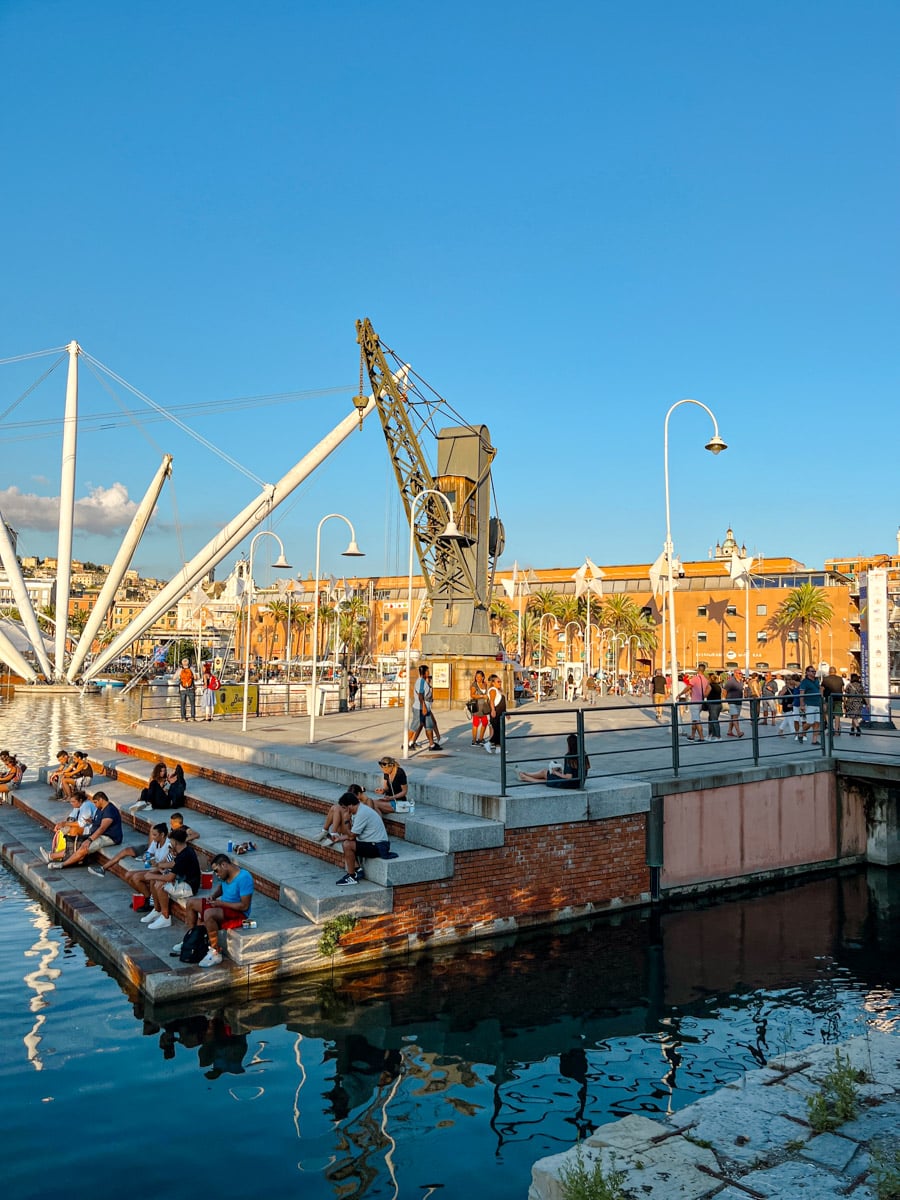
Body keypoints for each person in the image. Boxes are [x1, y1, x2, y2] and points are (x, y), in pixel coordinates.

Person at [180, 853, 254, 967]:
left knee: (209, 914)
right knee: (191, 903)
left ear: (224, 865)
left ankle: (215, 952)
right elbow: (221, 887)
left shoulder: (244, 878)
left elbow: (244, 906)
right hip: (223, 907)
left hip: (239, 913)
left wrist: (220, 903)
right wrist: (214, 896)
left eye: (216, 871)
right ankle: (192, 939)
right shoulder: (225, 875)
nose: (216, 875)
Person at [43, 791, 123, 869]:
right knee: (77, 844)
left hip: (109, 837)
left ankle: (63, 864)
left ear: (101, 800)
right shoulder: (100, 808)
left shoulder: (110, 811)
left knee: (84, 847)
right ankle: (51, 856)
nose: (94, 805)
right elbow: (98, 822)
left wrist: (89, 840)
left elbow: (102, 828)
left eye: (95, 802)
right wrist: (91, 821)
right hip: (97, 833)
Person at [143, 827, 203, 930]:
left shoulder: (184, 855)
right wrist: (159, 865)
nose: (170, 843)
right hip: (183, 882)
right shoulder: (186, 850)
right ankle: (157, 910)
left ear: (175, 842)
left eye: (171, 841)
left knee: (160, 885)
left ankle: (165, 917)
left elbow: (169, 877)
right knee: (155, 881)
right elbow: (173, 863)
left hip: (189, 887)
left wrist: (150, 875)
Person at [333, 791, 391, 886]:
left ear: (350, 805)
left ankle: (352, 876)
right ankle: (357, 870)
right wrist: (339, 838)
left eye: (344, 808)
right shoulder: (359, 811)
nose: (343, 811)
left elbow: (351, 836)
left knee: (347, 844)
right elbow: (354, 834)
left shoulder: (362, 813)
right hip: (372, 842)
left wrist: (346, 820)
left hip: (379, 846)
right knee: (346, 842)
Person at [88, 821, 172, 882]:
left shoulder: (169, 846)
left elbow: (164, 866)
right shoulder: (155, 842)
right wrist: (146, 858)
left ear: (162, 835)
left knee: (137, 877)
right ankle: (146, 898)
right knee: (128, 875)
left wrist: (152, 865)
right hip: (155, 868)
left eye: (154, 835)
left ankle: (149, 901)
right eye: (152, 835)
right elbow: (149, 855)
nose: (153, 837)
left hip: (162, 871)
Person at [517, 733, 590, 788]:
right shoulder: (584, 754)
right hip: (579, 783)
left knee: (545, 772)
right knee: (547, 775)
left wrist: (556, 773)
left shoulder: (569, 756)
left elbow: (569, 777)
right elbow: (575, 772)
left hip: (569, 783)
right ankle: (526, 775)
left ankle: (526, 776)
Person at [46, 789, 96, 860]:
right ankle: (56, 852)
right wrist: (61, 825)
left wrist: (65, 824)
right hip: (84, 828)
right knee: (63, 830)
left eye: (73, 802)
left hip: (91, 829)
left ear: (80, 800)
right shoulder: (78, 806)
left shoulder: (86, 806)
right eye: (71, 802)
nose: (71, 803)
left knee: (73, 830)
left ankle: (56, 855)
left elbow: (81, 824)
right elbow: (71, 818)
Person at [409, 664, 441, 751]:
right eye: (428, 671)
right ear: (425, 672)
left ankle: (431, 744)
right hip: (420, 708)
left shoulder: (423, 681)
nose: (429, 672)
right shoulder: (421, 682)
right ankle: (407, 743)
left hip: (426, 708)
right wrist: (423, 706)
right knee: (414, 726)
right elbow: (420, 696)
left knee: (429, 726)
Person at [797, 665, 822, 745]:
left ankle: (814, 740)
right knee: (810, 722)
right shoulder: (804, 682)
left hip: (817, 703)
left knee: (817, 722)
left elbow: (819, 690)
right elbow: (801, 693)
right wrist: (802, 704)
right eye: (812, 671)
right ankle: (801, 732)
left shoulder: (817, 680)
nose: (814, 673)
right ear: (807, 672)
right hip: (809, 704)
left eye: (814, 671)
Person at [685, 664, 710, 741]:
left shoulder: (695, 678)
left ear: (698, 669)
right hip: (701, 702)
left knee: (696, 720)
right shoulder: (706, 680)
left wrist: (680, 694)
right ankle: (692, 735)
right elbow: (707, 691)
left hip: (694, 701)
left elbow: (688, 687)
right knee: (694, 719)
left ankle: (701, 737)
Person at [820, 666, 845, 737]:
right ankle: (837, 731)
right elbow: (842, 689)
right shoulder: (840, 679)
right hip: (838, 698)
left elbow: (821, 689)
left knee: (827, 714)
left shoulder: (825, 679)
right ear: (835, 672)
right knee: (837, 715)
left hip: (828, 698)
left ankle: (831, 729)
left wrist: (822, 699)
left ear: (829, 672)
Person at [485, 673, 506, 755]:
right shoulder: (493, 690)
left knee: (499, 730)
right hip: (496, 713)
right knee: (498, 731)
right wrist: (493, 710)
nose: (500, 683)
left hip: (500, 712)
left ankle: (498, 748)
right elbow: (492, 701)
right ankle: (489, 743)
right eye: (498, 682)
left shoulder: (497, 690)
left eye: (500, 681)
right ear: (493, 683)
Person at [469, 669, 490, 746]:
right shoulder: (474, 685)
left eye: (479, 676)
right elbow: (472, 695)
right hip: (477, 706)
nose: (477, 678)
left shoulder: (485, 684)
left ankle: (480, 739)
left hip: (484, 706)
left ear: (483, 677)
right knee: (476, 723)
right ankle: (474, 741)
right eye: (476, 676)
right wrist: (482, 696)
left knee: (485, 722)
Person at [724, 669, 745, 738]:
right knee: (735, 717)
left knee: (733, 717)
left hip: (739, 702)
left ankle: (729, 731)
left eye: (741, 673)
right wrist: (724, 700)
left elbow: (742, 689)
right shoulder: (731, 681)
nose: (741, 675)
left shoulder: (741, 681)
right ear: (735, 674)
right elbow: (724, 691)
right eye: (739, 673)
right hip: (731, 701)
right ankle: (739, 732)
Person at [706, 672, 723, 742]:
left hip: (713, 704)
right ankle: (711, 734)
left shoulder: (710, 686)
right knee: (711, 719)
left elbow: (705, 694)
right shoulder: (718, 686)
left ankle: (718, 736)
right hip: (718, 704)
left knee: (714, 720)